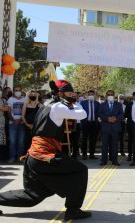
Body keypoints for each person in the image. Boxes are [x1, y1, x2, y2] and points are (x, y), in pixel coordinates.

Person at [0, 80, 91, 220]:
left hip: (35, 156)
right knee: (80, 170)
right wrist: (74, 102)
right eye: (70, 93)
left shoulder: (47, 104)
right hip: (44, 155)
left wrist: (69, 101)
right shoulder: (58, 107)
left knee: (32, 196)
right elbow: (82, 115)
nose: (73, 95)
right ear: (60, 93)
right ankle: (73, 209)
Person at [99, 90, 123, 166]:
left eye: (111, 94)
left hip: (115, 128)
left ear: (114, 95)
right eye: (108, 94)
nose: (110, 96)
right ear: (106, 96)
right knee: (104, 145)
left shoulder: (119, 104)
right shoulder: (102, 105)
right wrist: (107, 119)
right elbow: (100, 114)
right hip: (105, 128)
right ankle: (104, 160)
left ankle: (114, 160)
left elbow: (121, 115)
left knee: (115, 145)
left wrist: (115, 118)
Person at [7, 86, 26, 163]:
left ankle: (20, 157)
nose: (17, 91)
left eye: (19, 90)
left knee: (21, 141)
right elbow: (8, 112)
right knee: (12, 141)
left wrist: (21, 119)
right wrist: (13, 120)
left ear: (21, 91)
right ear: (13, 91)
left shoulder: (24, 99)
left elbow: (26, 112)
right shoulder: (10, 100)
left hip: (22, 123)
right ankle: (12, 157)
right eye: (16, 90)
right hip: (12, 123)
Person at [80, 90, 100, 159]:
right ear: (87, 95)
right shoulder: (83, 103)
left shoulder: (97, 103)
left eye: (92, 94)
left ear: (94, 95)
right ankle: (84, 154)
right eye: (90, 94)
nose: (91, 95)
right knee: (84, 139)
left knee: (93, 139)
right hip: (86, 123)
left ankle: (92, 154)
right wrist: (83, 121)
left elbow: (98, 112)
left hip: (94, 123)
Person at [124, 92, 135, 161]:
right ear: (133, 96)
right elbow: (126, 114)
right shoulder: (129, 104)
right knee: (130, 141)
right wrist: (133, 115)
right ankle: (130, 155)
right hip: (131, 124)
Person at [0, 86, 9, 160]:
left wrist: (2, 109)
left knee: (1, 140)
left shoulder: (3, 100)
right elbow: (4, 108)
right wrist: (2, 108)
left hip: (1, 123)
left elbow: (7, 109)